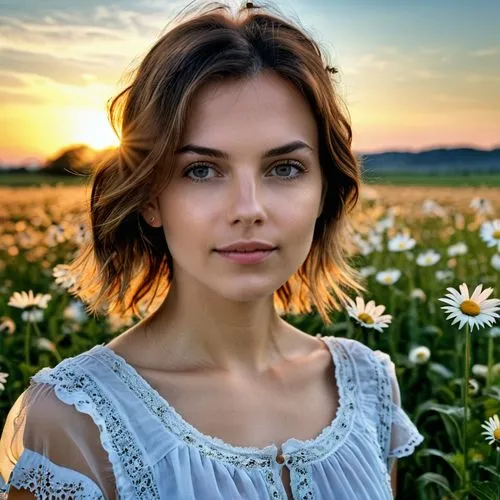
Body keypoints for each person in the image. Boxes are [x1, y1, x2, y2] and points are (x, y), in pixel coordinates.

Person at [0, 1, 424, 498]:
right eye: (201, 170)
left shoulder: (369, 387)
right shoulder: (74, 420)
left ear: (324, 189)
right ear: (150, 197)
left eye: (284, 167)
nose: (249, 209)